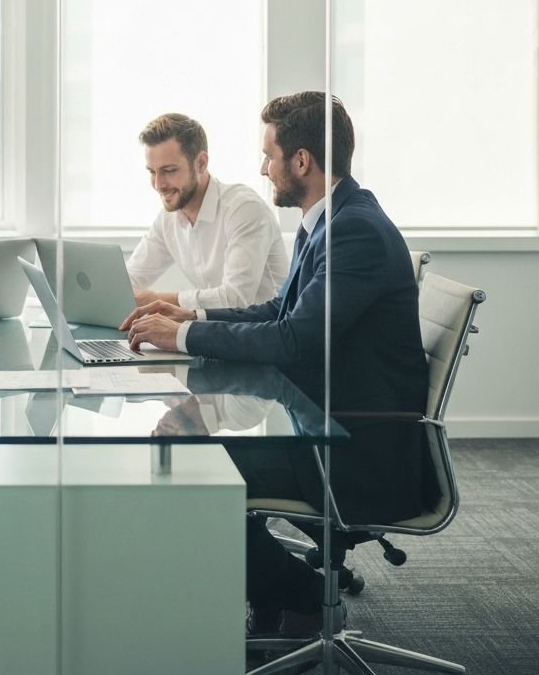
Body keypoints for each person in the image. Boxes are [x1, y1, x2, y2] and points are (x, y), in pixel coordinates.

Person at [123, 92, 428, 632]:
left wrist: (188, 334)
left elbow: (293, 341)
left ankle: (302, 596)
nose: (264, 168)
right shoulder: (330, 221)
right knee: (186, 457)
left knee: (187, 473)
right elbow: (277, 310)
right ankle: (274, 605)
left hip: (355, 446)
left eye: (269, 155)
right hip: (326, 417)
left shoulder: (352, 230)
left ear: (302, 160)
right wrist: (185, 319)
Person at [126, 112, 289, 311]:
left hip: (267, 331)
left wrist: (157, 301)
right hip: (221, 331)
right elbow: (129, 280)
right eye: (152, 172)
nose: (158, 184)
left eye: (169, 171)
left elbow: (236, 298)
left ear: (201, 163)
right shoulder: (168, 219)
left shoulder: (244, 209)